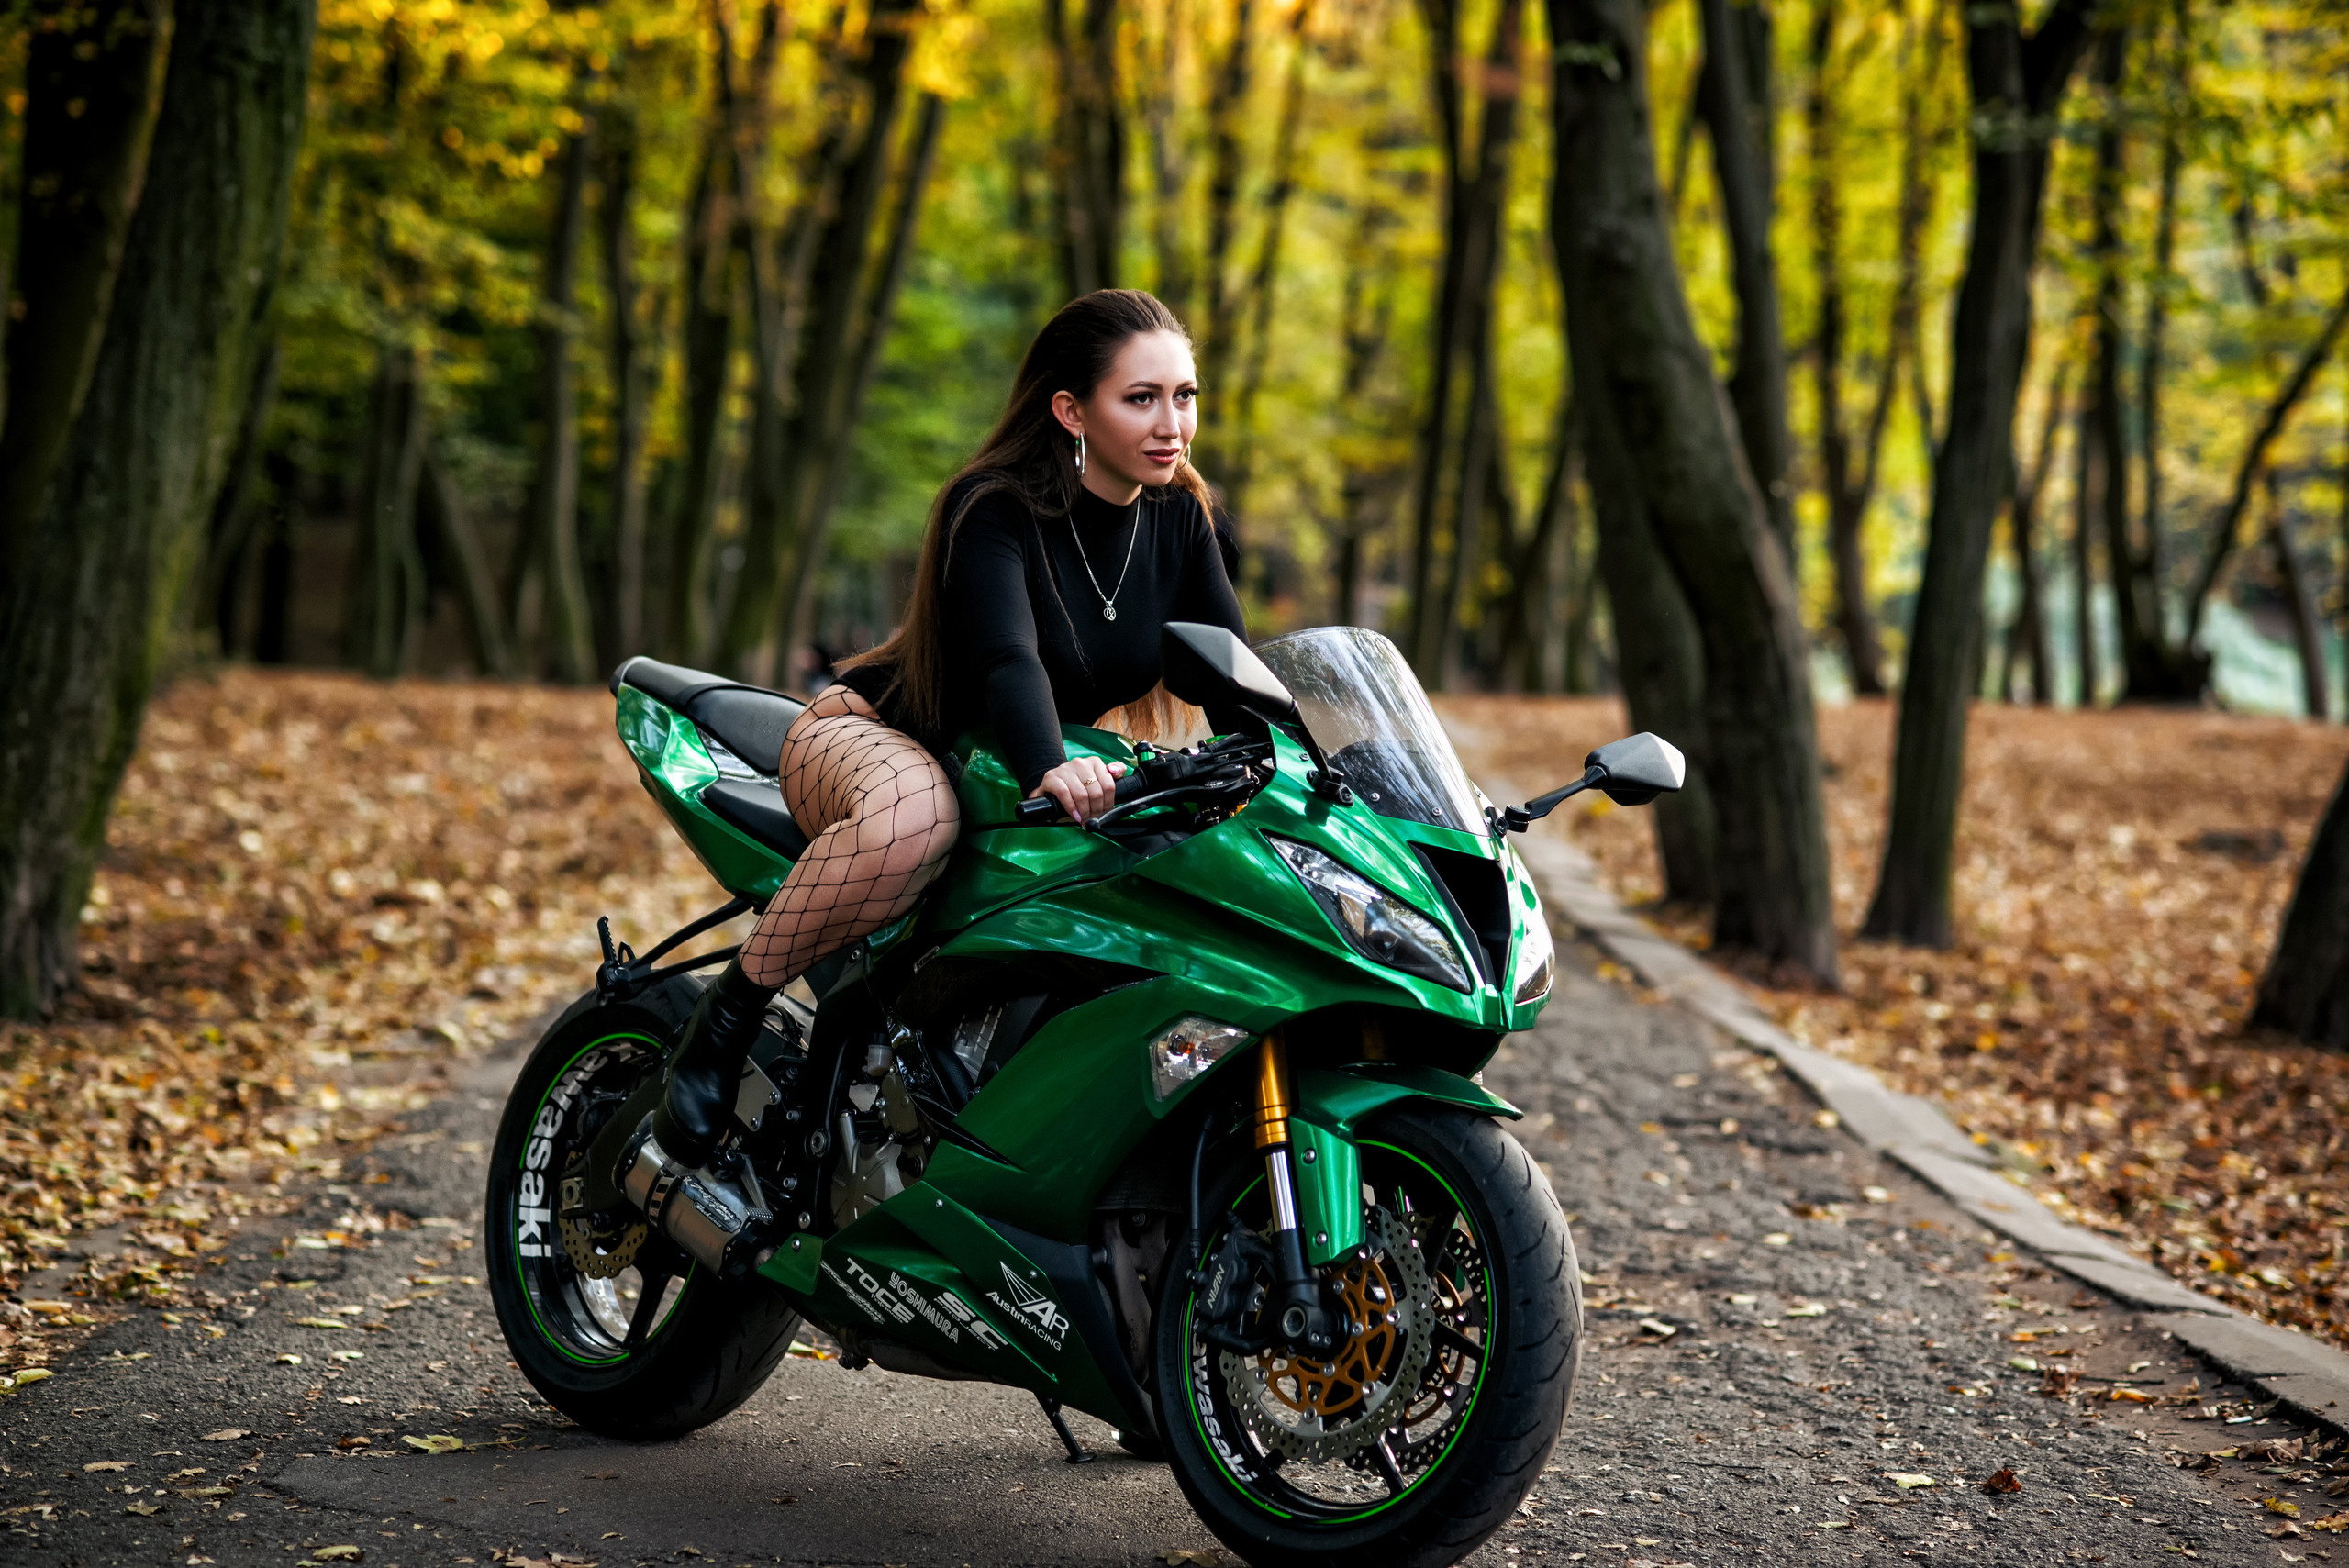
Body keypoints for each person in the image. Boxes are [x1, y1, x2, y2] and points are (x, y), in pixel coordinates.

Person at [649, 289, 1252, 1168]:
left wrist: (1321, 766)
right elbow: (1013, 660)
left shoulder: (1182, 518)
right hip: (876, 737)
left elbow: (1233, 668)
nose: (1173, 423)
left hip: (1001, 774)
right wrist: (1052, 763)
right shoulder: (994, 506)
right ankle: (724, 1020)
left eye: (1185, 395)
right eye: (1143, 397)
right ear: (1070, 409)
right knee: (915, 817)